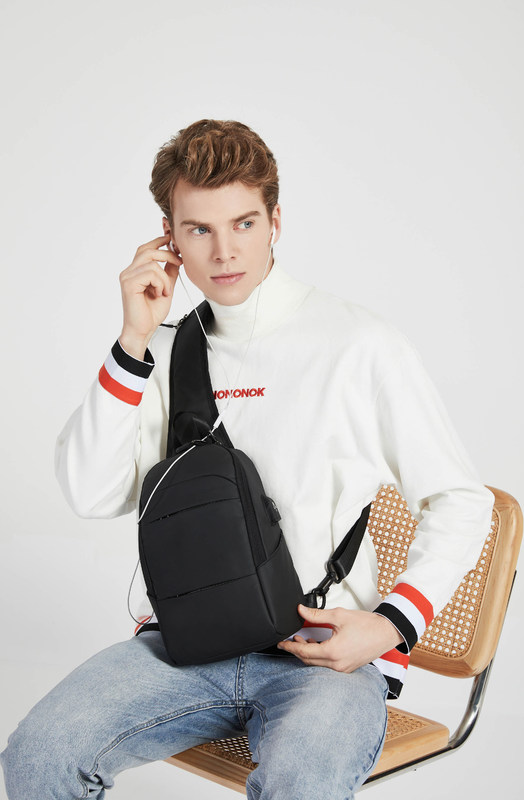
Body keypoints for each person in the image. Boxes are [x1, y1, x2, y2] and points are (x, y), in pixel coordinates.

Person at [1, 119, 494, 799]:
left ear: (275, 222)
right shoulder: (166, 348)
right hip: (186, 647)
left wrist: (389, 624)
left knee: (300, 782)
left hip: (324, 659)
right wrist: (133, 340)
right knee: (36, 758)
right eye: (198, 229)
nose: (224, 251)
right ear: (169, 237)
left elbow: (461, 501)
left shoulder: (358, 345)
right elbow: (90, 492)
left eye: (243, 223)